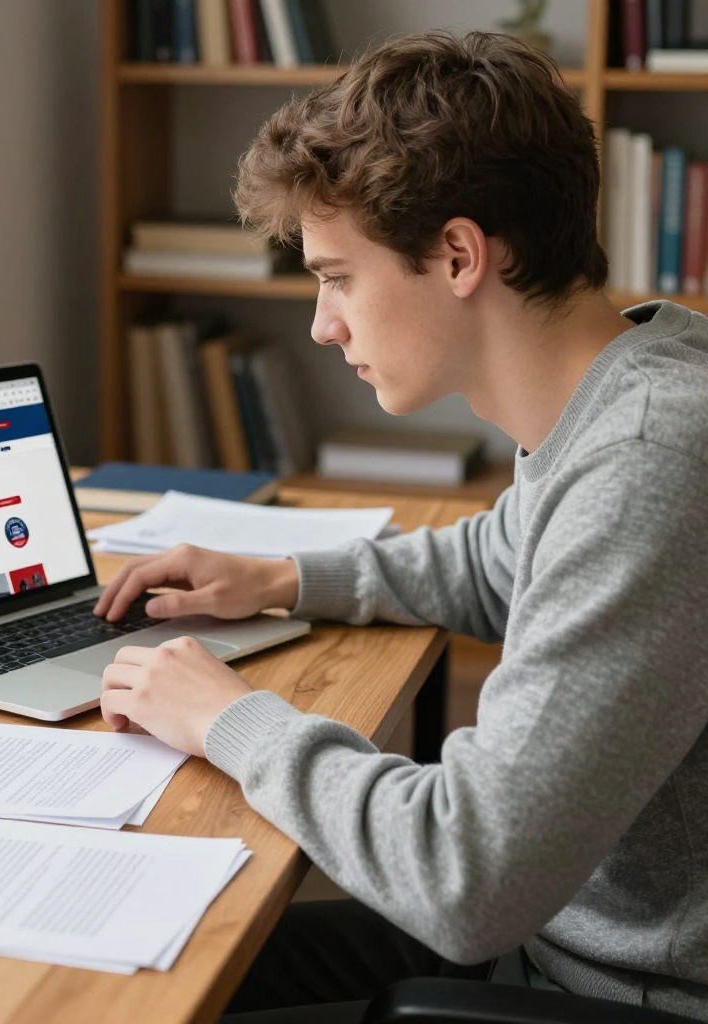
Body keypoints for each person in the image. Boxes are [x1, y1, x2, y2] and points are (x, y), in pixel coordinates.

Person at [94, 29, 708, 1024]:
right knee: (144, 971)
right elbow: (500, 560)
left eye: (337, 276)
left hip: (613, 990)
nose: (322, 324)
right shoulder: (631, 377)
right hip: (554, 937)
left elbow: (467, 878)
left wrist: (226, 718)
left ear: (459, 254)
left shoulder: (650, 457)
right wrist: (281, 576)